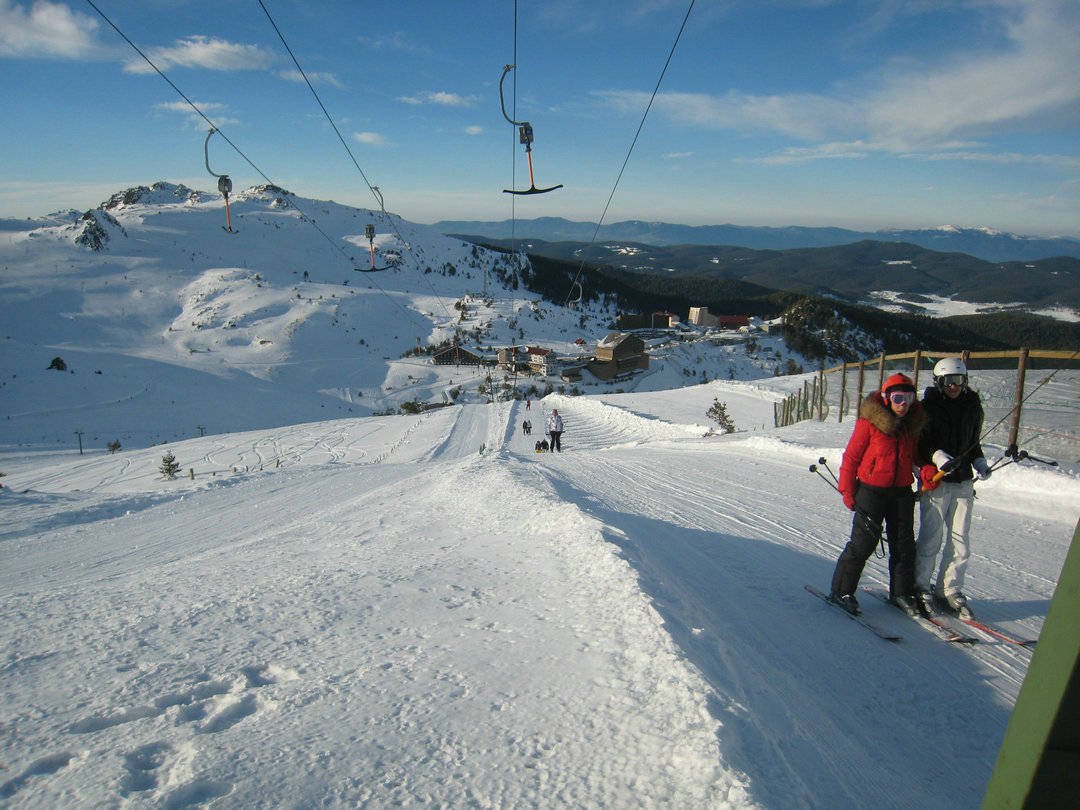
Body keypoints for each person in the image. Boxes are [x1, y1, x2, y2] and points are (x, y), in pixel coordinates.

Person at [829, 373, 928, 616]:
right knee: (863, 543)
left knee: (904, 545)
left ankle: (901, 593)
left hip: (902, 491)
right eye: (898, 398)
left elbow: (914, 457)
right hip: (872, 490)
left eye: (909, 398)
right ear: (886, 398)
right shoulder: (870, 423)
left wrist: (924, 469)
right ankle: (842, 591)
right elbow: (851, 457)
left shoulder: (912, 424)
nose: (903, 404)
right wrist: (847, 489)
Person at [914, 358, 989, 619]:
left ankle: (950, 589)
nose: (953, 387)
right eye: (948, 381)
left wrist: (979, 460)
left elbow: (973, 442)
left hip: (963, 481)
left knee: (960, 541)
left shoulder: (972, 406)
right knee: (931, 538)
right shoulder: (927, 408)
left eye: (958, 381)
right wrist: (938, 457)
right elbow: (921, 444)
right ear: (938, 381)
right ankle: (921, 586)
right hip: (937, 480)